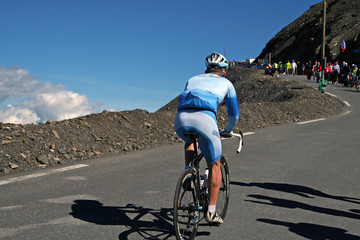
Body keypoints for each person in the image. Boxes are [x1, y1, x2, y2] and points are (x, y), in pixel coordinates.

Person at [174, 52, 239, 224]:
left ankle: (189, 171)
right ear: (223, 70)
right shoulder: (226, 83)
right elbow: (234, 115)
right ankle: (211, 211)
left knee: (190, 139)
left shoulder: (192, 79)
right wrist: (227, 130)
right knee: (215, 164)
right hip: (205, 121)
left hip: (181, 120)